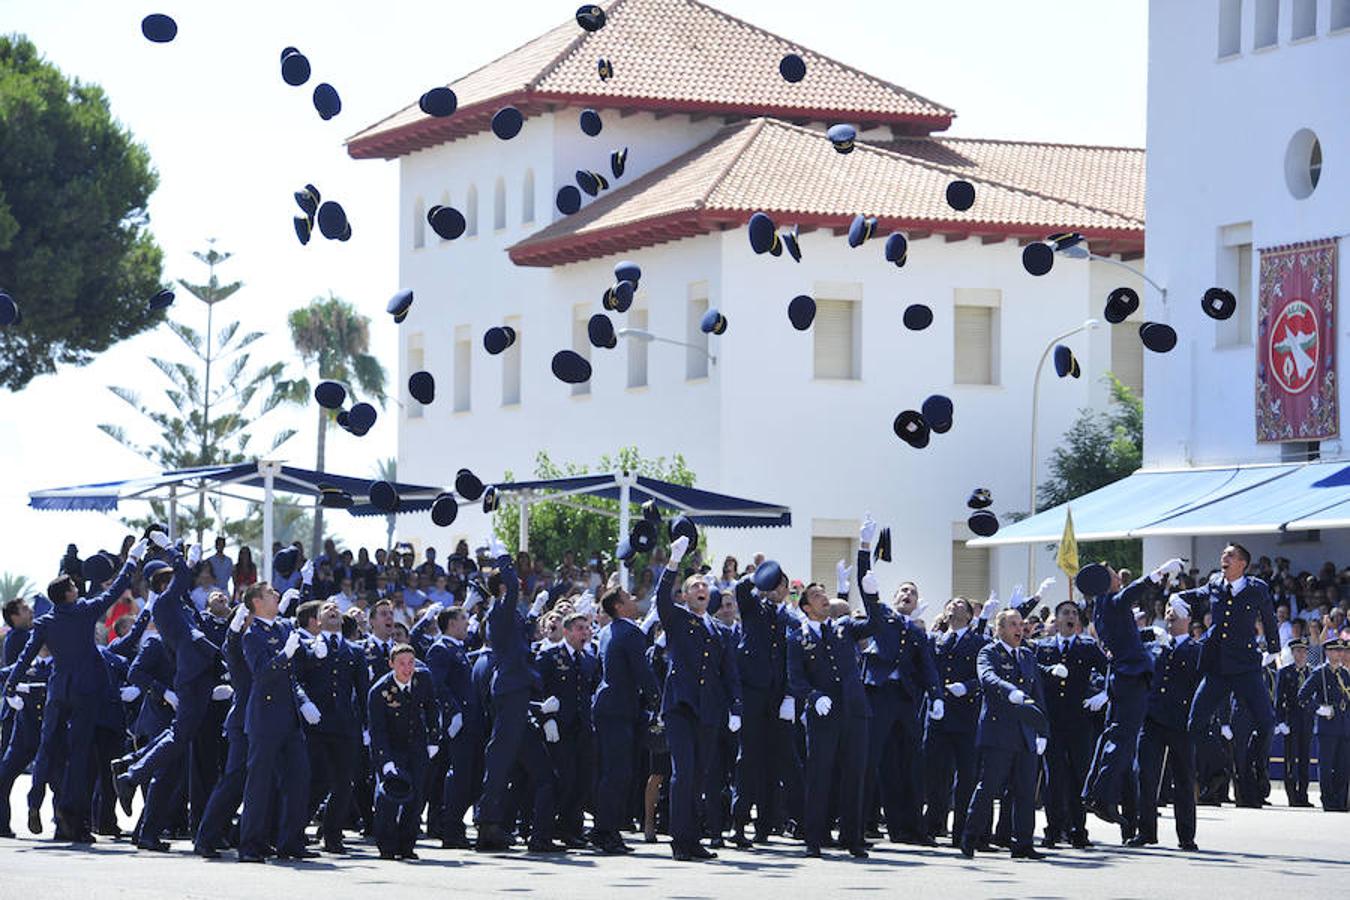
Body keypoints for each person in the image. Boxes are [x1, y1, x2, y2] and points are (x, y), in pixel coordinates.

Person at [4, 536, 148, 843]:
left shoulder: (45, 621)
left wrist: (12, 684)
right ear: (69, 594)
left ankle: (34, 802)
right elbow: (112, 591)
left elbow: (26, 656)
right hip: (85, 692)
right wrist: (132, 561)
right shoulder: (83, 610)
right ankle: (72, 819)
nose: (77, 587)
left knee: (46, 751)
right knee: (79, 758)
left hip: (58, 689)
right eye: (73, 585)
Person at [787, 518, 878, 860]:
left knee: (855, 776)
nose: (824, 599)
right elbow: (795, 679)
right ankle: (814, 838)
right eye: (817, 596)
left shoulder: (843, 628)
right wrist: (814, 697)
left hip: (855, 712)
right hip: (824, 715)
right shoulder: (797, 637)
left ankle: (852, 838)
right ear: (806, 607)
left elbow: (875, 623)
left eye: (825, 594)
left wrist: (870, 588)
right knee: (819, 777)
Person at [654, 533, 740, 861]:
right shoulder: (677, 618)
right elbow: (662, 598)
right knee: (684, 773)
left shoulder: (720, 630)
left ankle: (692, 839)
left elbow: (729, 673)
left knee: (701, 776)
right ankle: (680, 840)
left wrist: (736, 708)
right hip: (680, 706)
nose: (701, 589)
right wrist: (673, 563)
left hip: (709, 709)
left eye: (704, 586)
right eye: (694, 586)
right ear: (686, 595)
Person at [1174, 545, 1280, 809]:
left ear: (1243, 563)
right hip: (1217, 667)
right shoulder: (1214, 583)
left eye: (1230, 555)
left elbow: (1268, 619)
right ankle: (1220, 768)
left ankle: (1258, 767)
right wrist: (1178, 597)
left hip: (1246, 666)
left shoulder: (1257, 588)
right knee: (1195, 723)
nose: (1224, 558)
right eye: (1223, 554)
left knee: (1267, 724)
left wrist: (1274, 650)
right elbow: (1198, 594)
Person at [474, 538, 562, 854]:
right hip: (511, 690)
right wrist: (503, 557)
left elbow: (520, 637)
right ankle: (487, 825)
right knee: (499, 757)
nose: (520, 588)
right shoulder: (499, 609)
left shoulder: (507, 615)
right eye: (514, 587)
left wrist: (535, 611)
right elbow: (511, 580)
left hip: (519, 691)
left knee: (538, 768)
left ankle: (536, 833)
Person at [1080, 559, 1178, 825]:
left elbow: (1125, 637)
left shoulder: (1101, 608)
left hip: (1121, 676)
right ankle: (1103, 796)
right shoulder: (1112, 601)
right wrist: (1158, 574)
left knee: (1110, 735)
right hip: (1131, 677)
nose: (1117, 578)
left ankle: (1093, 791)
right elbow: (1132, 592)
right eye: (1113, 575)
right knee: (1122, 739)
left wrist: (1147, 635)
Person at [858, 543, 941, 848]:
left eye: (913, 592)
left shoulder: (917, 631)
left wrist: (937, 696)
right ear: (894, 598)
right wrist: (865, 550)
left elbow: (928, 666)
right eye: (903, 591)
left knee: (910, 763)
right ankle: (861, 823)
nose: (908, 595)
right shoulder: (881, 616)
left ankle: (911, 828)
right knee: (873, 760)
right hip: (879, 695)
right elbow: (867, 589)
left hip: (906, 700)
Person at [236, 581, 322, 862]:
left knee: (299, 779)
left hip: (289, 717)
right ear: (257, 602)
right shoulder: (252, 635)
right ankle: (250, 844)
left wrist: (313, 652)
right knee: (259, 785)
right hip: (265, 718)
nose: (276, 596)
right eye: (271, 594)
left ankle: (290, 842)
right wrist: (284, 654)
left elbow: (296, 669)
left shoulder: (284, 627)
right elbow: (261, 673)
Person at [722, 561, 801, 847]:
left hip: (778, 696)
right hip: (752, 692)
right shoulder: (755, 606)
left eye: (783, 585)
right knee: (748, 759)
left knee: (774, 761)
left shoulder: (790, 619)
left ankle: (767, 824)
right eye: (776, 585)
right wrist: (760, 577)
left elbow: (793, 657)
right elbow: (742, 588)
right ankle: (739, 822)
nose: (780, 590)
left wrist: (790, 696)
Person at [959, 608, 1048, 860]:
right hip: (999, 731)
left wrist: (1043, 731)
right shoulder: (989, 652)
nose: (1020, 628)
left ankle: (1023, 843)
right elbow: (987, 677)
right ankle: (969, 836)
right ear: (999, 629)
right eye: (1012, 624)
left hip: (1025, 732)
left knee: (1025, 791)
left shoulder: (1028, 655)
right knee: (988, 787)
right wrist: (1009, 690)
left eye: (1021, 624)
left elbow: (1038, 695)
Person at [591, 582, 660, 854]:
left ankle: (604, 828)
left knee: (611, 772)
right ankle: (606, 831)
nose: (633, 599)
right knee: (618, 773)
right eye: (628, 597)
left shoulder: (608, 631)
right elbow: (642, 672)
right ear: (619, 606)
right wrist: (657, 699)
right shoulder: (630, 633)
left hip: (609, 707)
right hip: (619, 709)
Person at [298, 597, 370, 854]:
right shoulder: (307, 646)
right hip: (315, 725)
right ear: (317, 621)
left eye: (336, 609)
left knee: (343, 783)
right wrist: (304, 704)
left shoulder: (355, 651)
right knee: (316, 781)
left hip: (345, 726)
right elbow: (296, 681)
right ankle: (295, 831)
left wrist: (366, 727)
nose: (333, 611)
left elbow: (363, 692)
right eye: (326, 609)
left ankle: (333, 836)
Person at [1034, 598, 1107, 849]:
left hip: (1079, 721)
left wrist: (1104, 693)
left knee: (1078, 776)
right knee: (1053, 778)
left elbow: (1110, 669)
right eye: (1065, 612)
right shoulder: (1043, 648)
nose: (1071, 616)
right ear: (1056, 619)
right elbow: (1031, 669)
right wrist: (1049, 669)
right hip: (1052, 722)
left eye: (1074, 613)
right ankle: (1053, 830)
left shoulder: (1087, 646)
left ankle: (1078, 830)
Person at [1132, 596, 1201, 850]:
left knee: (1183, 779)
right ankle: (1146, 831)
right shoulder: (1155, 644)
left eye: (1177, 613)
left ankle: (1186, 835)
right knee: (1146, 776)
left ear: (1189, 620)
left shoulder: (1196, 650)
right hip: (1152, 719)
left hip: (1181, 722)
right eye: (1169, 612)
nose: (1171, 615)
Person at [368, 643, 440, 860]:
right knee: (389, 798)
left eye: (411, 663)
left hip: (416, 745)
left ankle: (407, 845)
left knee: (416, 797)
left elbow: (431, 707)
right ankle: (387, 846)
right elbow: (377, 730)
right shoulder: (379, 691)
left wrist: (433, 738)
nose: (407, 669)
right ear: (391, 664)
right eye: (401, 664)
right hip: (391, 748)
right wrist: (386, 761)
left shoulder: (423, 679)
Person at [538, 611, 600, 848]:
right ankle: (549, 827)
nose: (585, 633)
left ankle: (571, 828)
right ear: (567, 631)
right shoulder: (551, 656)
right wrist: (547, 718)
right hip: (558, 728)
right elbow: (539, 690)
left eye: (587, 628)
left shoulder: (589, 659)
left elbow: (591, 689)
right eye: (579, 628)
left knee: (582, 780)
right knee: (563, 778)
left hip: (582, 727)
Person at [427, 602, 485, 849]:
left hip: (471, 722)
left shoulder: (456, 648)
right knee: (459, 778)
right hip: (457, 724)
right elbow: (437, 685)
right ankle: (450, 829)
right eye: (463, 620)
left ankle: (451, 823)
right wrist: (454, 712)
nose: (467, 624)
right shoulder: (440, 649)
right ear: (452, 624)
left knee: (472, 779)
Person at [1297, 637, 1349, 811]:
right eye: (1335, 650)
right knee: (1326, 766)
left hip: (1344, 726)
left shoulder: (1345, 674)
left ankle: (1341, 800)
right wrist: (1319, 709)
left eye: (1341, 651)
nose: (1339, 654)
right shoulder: (1320, 673)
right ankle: (1328, 800)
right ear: (1327, 652)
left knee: (1343, 766)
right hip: (1327, 726)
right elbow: (1302, 696)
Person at [1276, 637, 1316, 807]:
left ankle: (1303, 795)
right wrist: (1280, 722)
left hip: (1306, 720)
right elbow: (1278, 700)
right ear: (1292, 653)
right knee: (1291, 760)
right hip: (1291, 720)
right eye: (1297, 651)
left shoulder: (1312, 673)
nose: (1301, 655)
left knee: (1305, 759)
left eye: (1304, 651)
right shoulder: (1285, 672)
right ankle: (1292, 796)